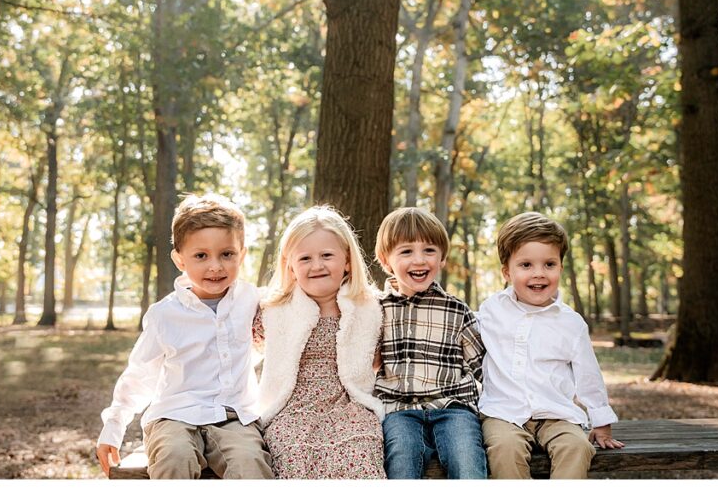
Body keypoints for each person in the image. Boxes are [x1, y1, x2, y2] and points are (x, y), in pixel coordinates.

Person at [95, 194, 273, 479]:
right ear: (179, 259)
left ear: (242, 255)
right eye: (201, 256)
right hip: (173, 415)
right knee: (174, 458)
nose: (215, 266)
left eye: (226, 254)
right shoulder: (164, 315)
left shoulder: (252, 300)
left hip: (235, 417)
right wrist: (114, 425)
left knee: (250, 463)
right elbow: (141, 374)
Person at [477, 211, 624, 479]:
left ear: (560, 267)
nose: (538, 274)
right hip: (503, 413)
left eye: (549, 264)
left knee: (577, 446)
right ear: (507, 271)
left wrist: (601, 421)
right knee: (504, 449)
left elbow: (588, 374)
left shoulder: (571, 323)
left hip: (556, 414)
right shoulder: (490, 311)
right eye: (526, 265)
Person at [255, 205, 386, 479]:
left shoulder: (368, 308)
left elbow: (378, 358)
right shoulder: (274, 309)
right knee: (293, 452)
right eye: (305, 258)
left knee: (361, 448)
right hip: (292, 407)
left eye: (327, 255)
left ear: (347, 261)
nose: (317, 265)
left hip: (348, 404)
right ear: (290, 266)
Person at [373, 207, 487, 479]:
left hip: (453, 406)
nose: (419, 260)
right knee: (401, 461)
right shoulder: (376, 310)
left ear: (442, 258)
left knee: (468, 460)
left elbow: (483, 365)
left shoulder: (456, 309)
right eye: (406, 251)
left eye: (429, 250)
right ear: (386, 260)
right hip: (399, 409)